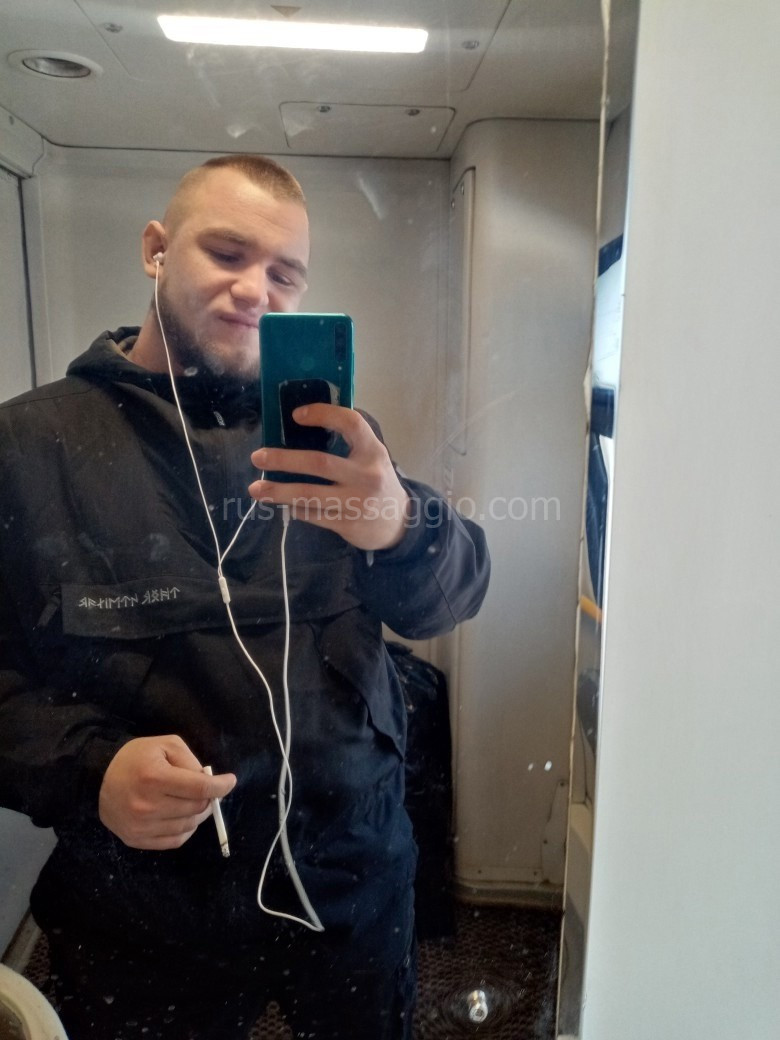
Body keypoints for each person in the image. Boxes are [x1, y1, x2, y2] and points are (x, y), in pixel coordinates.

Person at [0, 154, 490, 1039]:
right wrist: (90, 770)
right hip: (145, 904)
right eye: (226, 254)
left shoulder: (332, 439)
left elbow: (448, 602)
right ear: (156, 249)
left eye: (285, 274)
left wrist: (401, 524)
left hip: (352, 871)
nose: (255, 289)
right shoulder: (28, 449)